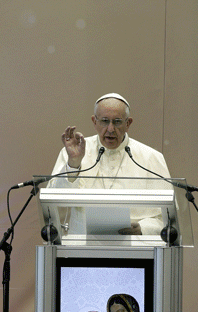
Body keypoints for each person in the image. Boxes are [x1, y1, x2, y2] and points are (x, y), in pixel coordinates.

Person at [49, 93, 171, 235]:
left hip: (136, 249)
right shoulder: (73, 152)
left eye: (117, 122)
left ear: (128, 123)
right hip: (83, 247)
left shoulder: (151, 158)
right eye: (105, 121)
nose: (111, 129)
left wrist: (143, 229)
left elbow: (167, 215)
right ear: (94, 121)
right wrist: (74, 164)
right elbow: (55, 201)